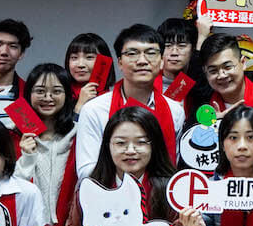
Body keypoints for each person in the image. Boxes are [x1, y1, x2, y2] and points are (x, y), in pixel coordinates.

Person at [50, 107, 183, 226]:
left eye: (140, 142)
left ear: (154, 145)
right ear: (108, 146)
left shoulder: (171, 190)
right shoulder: (91, 190)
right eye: (121, 143)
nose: (130, 150)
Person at [76, 25, 185, 179]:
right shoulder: (95, 109)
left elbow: (174, 168)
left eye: (151, 53)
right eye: (132, 53)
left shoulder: (175, 111)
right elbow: (86, 171)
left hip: (160, 194)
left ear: (161, 61)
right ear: (120, 62)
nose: (142, 61)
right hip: (108, 192)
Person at [13, 64, 78, 226]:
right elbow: (13, 191)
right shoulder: (13, 136)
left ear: (67, 95)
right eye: (40, 91)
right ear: (28, 94)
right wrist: (27, 157)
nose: (48, 98)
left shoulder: (79, 135)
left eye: (56, 91)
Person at [184, 34, 253, 137]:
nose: (221, 75)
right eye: (213, 71)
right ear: (205, 72)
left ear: (243, 63)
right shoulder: (201, 112)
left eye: (228, 67)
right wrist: (209, 128)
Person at [64, 33, 113, 115]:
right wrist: (79, 106)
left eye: (89, 57)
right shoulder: (57, 98)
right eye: (74, 57)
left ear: (104, 62)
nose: (80, 64)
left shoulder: (115, 101)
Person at [157, 17, 198, 87]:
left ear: (193, 49)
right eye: (168, 45)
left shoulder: (205, 85)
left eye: (181, 46)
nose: (174, 53)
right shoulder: (145, 84)